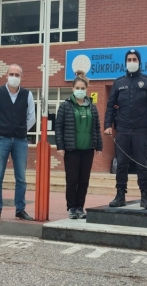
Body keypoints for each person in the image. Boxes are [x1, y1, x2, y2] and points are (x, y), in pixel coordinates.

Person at [104, 49, 147, 209]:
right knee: (121, 163)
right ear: (125, 62)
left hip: (141, 129)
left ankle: (145, 195)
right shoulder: (118, 83)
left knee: (142, 164)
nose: (131, 62)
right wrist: (108, 124)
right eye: (129, 59)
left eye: (134, 59)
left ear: (139, 62)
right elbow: (111, 106)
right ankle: (120, 195)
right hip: (122, 129)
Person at [0, 64, 35, 223]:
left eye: (17, 74)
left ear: (22, 76)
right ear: (6, 75)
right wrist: (2, 130)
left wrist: (20, 131)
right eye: (11, 74)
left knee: (21, 178)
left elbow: (31, 118)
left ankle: (20, 210)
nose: (14, 77)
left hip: (20, 141)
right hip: (1, 139)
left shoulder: (27, 95)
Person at [55, 70, 103, 219]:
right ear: (72, 89)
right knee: (72, 179)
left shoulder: (92, 107)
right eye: (78, 88)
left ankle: (80, 207)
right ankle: (71, 207)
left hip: (87, 149)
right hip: (71, 149)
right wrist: (60, 146)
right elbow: (59, 127)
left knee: (84, 180)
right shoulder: (65, 106)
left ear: (86, 89)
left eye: (83, 88)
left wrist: (99, 145)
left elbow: (96, 127)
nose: (80, 91)